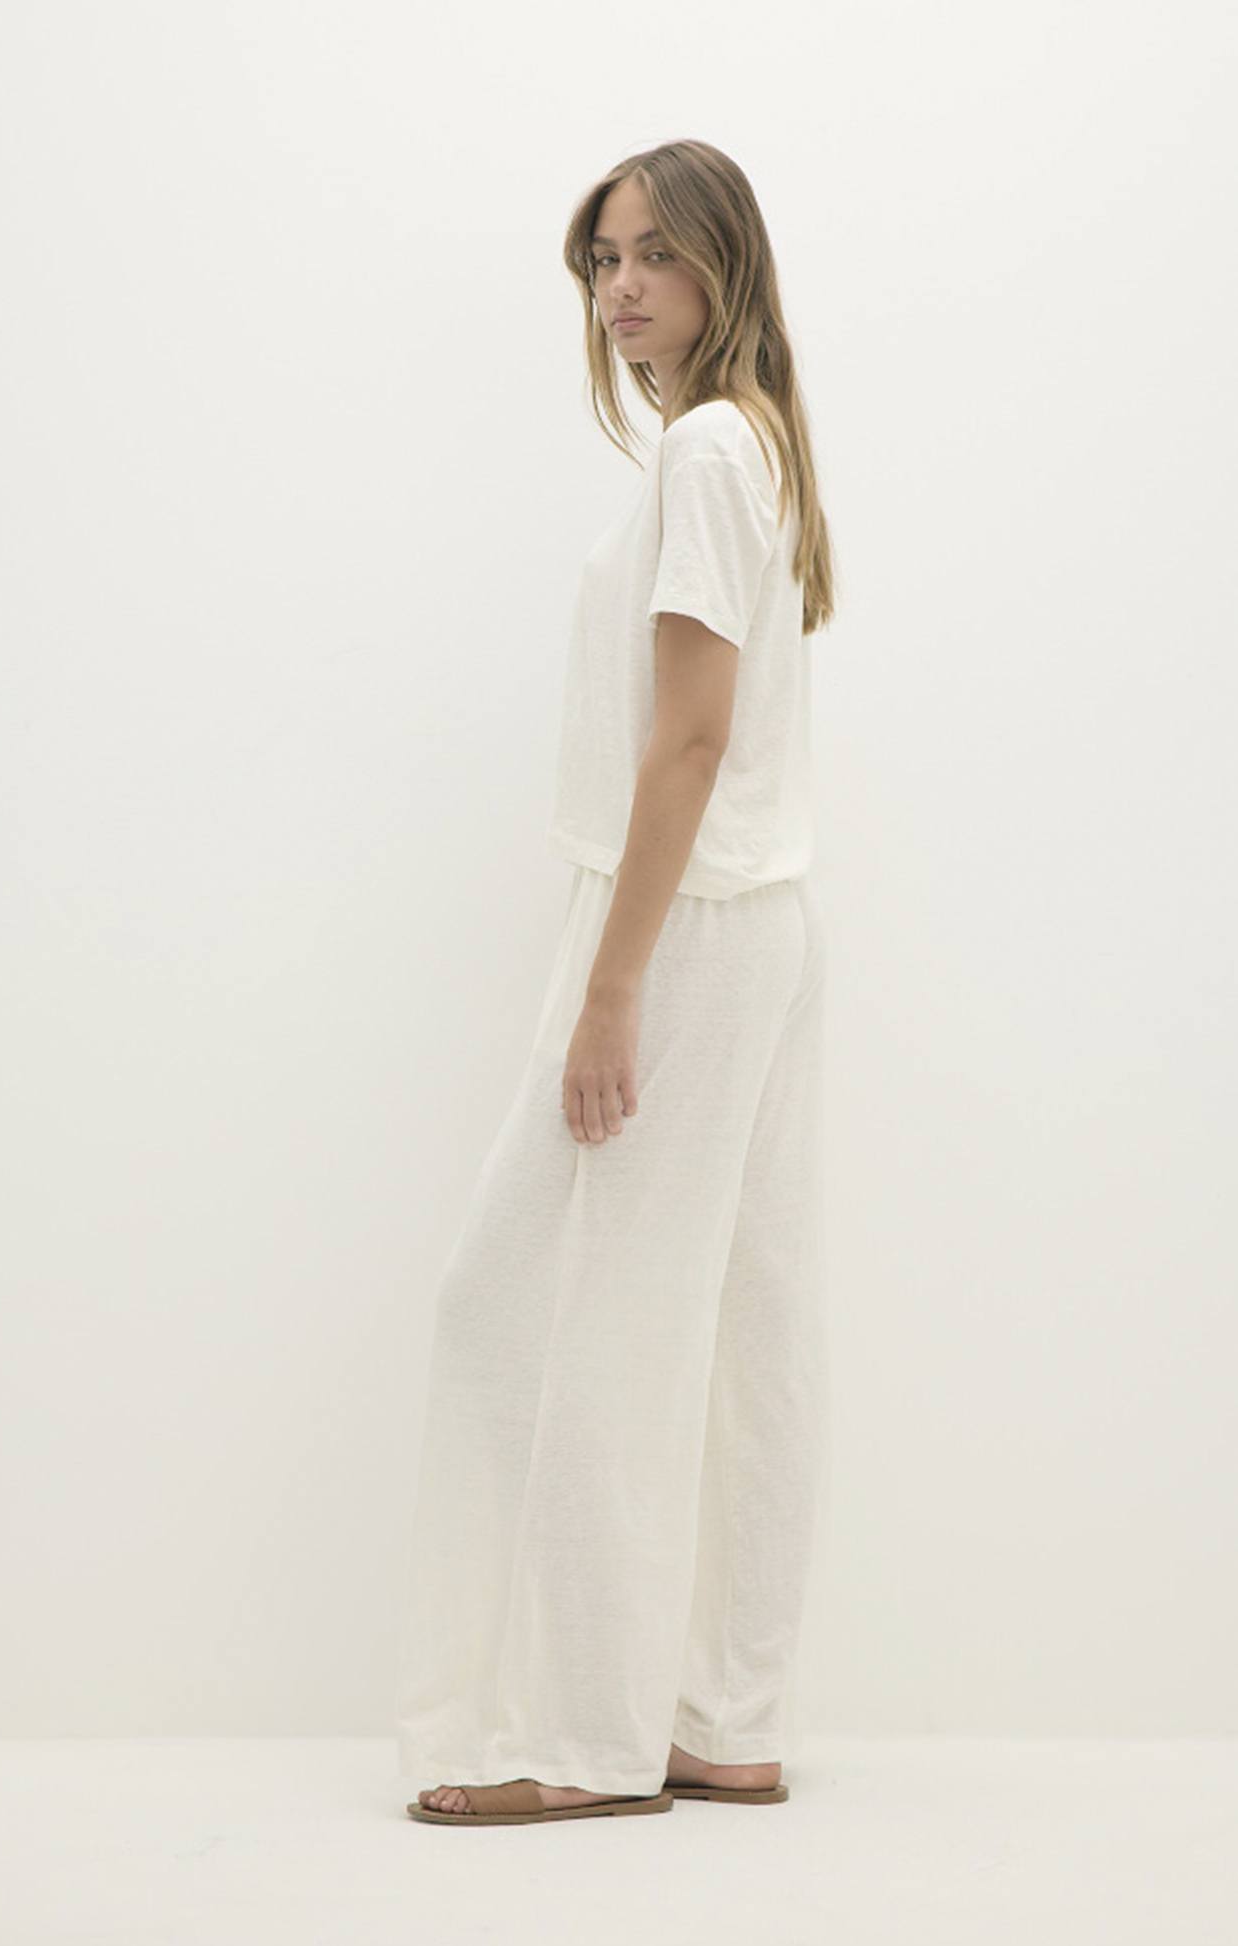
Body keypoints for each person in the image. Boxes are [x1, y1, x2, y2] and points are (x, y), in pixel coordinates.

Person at [396, 137, 837, 1826]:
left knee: (561, 1311)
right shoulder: (747, 440)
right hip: (759, 916)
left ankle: (582, 1734)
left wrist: (609, 987)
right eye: (601, 259)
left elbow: (692, 738)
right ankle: (727, 1713)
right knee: (748, 1320)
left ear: (726, 260)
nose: (622, 287)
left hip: (694, 929)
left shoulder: (711, 448)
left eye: (654, 252)